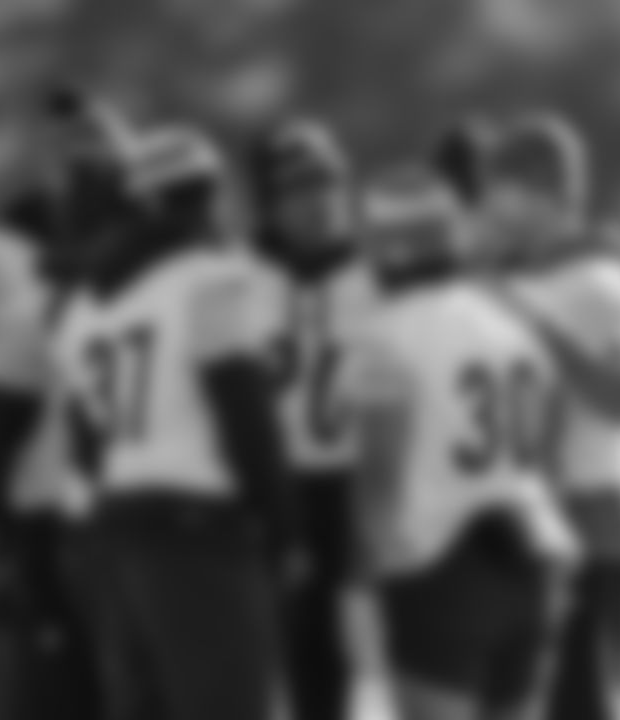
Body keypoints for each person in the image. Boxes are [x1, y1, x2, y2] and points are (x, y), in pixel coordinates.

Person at [50, 125, 292, 720]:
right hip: (198, 537)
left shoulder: (83, 302)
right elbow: (242, 409)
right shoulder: (208, 279)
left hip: (115, 533)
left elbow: (87, 443)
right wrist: (284, 524)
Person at [0, 84, 137, 720]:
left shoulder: (142, 255)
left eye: (104, 163)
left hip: (112, 507)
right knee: (17, 674)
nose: (85, 175)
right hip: (20, 501)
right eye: (73, 160)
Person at [342, 172, 578, 720]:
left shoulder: (388, 333)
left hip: (439, 567)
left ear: (385, 247)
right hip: (531, 560)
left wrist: (357, 585)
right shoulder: (513, 323)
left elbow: (380, 473)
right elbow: (553, 458)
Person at [483, 111, 620, 720]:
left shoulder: (604, 281)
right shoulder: (513, 275)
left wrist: (542, 332)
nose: (492, 204)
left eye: (502, 188)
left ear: (542, 190)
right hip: (524, 527)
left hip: (593, 525)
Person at [247, 117, 377, 720]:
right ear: (271, 203)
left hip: (346, 489)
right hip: (264, 487)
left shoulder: (376, 281)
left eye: (330, 184)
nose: (319, 201)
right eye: (300, 187)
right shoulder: (241, 280)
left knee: (328, 670)